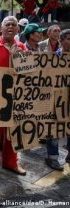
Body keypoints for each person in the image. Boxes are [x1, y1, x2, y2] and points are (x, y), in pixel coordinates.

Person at [0, 16, 27, 181]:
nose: (10, 27)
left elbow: (28, 73)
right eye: (7, 24)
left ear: (17, 30)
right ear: (1, 28)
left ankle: (11, 162)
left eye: (13, 25)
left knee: (14, 133)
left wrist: (20, 58)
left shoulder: (22, 47)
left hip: (16, 97)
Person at [44, 29, 70, 171]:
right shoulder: (53, 58)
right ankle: (52, 157)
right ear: (61, 41)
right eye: (69, 39)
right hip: (56, 99)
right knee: (53, 127)